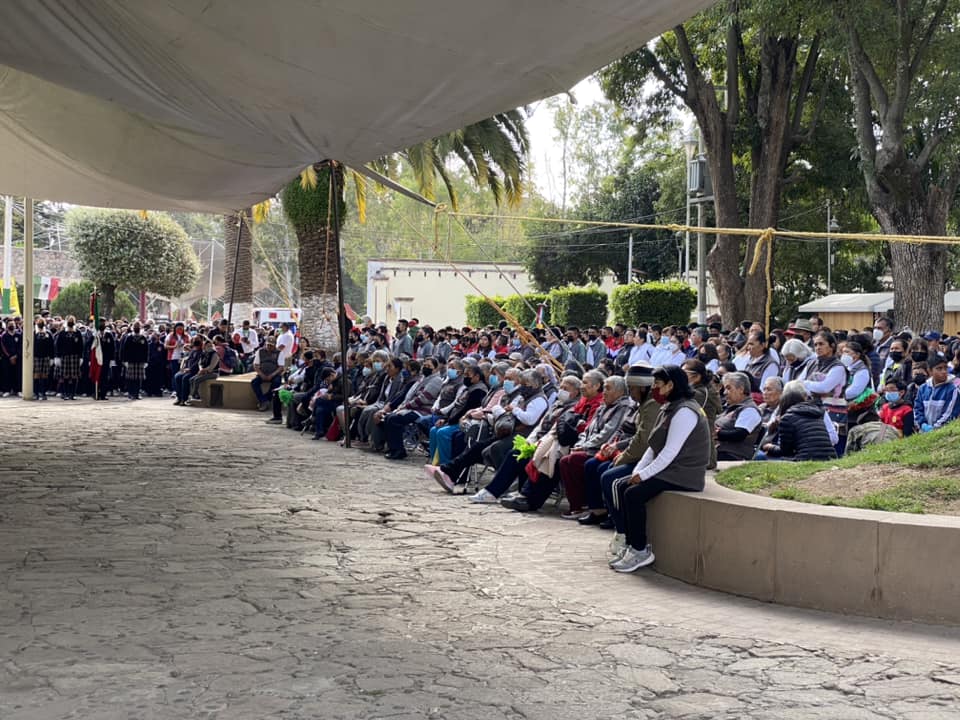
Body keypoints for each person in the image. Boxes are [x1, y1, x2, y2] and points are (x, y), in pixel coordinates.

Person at [608, 365, 711, 573]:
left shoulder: (685, 411)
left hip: (684, 473)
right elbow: (654, 446)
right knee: (620, 485)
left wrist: (643, 475)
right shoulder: (669, 407)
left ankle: (640, 550)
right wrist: (637, 470)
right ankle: (629, 542)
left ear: (671, 385)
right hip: (670, 468)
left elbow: (669, 452)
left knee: (633, 494)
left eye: (657, 384)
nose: (654, 388)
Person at [757, 381, 837, 461]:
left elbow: (785, 451)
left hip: (805, 459)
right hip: (830, 457)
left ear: (784, 398)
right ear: (804, 397)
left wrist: (770, 447)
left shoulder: (787, 418)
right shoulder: (817, 413)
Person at [714, 372, 763, 461]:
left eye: (728, 388)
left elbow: (739, 434)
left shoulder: (750, 410)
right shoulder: (731, 407)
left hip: (733, 455)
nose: (724, 393)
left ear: (741, 389)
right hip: (718, 451)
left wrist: (717, 434)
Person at [914, 353, 960, 432]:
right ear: (930, 371)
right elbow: (917, 409)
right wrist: (922, 424)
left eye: (945, 368)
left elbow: (949, 414)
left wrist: (934, 428)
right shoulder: (923, 389)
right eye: (939, 368)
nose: (944, 371)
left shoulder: (953, 390)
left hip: (943, 432)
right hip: (923, 432)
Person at [251, 337, 284, 410]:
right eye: (268, 345)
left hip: (274, 374)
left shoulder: (279, 353)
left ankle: (266, 399)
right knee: (254, 382)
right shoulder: (260, 351)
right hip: (263, 373)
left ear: (275, 345)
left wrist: (272, 375)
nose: (269, 347)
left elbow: (281, 367)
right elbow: (255, 365)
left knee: (276, 383)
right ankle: (263, 400)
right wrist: (261, 374)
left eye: (271, 345)